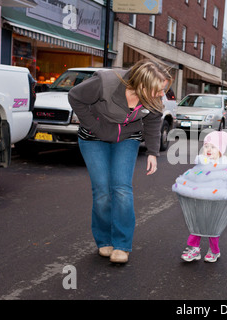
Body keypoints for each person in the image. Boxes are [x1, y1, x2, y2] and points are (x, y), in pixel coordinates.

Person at [68, 60, 172, 264]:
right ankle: (104, 240)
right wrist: (95, 127)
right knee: (102, 192)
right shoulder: (104, 83)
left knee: (122, 188)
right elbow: (75, 97)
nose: (162, 94)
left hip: (127, 139)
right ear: (143, 85)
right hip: (93, 138)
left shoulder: (154, 101)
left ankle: (122, 245)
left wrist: (152, 152)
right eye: (159, 90)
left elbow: (153, 121)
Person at [172, 131, 227, 263]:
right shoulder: (201, 164)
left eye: (213, 147)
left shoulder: (224, 167)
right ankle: (194, 249)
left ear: (220, 150)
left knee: (213, 226)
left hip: (216, 203)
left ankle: (214, 250)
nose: (208, 150)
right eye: (206, 146)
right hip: (201, 200)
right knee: (197, 223)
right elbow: (192, 178)